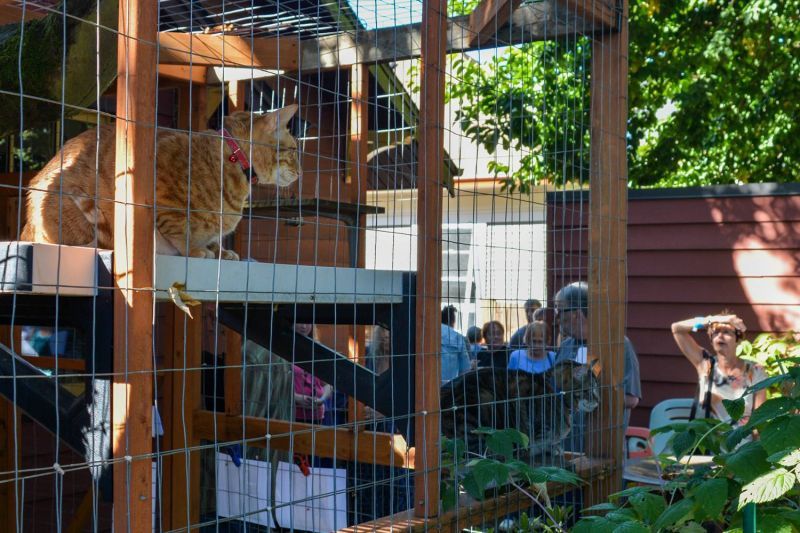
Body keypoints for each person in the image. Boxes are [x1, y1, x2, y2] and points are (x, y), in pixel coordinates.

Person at [553, 282, 642, 425]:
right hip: (567, 442)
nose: (556, 319)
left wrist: (588, 398)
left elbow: (631, 399)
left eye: (559, 311)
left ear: (576, 314)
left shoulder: (617, 345)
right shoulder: (565, 346)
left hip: (602, 441)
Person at [671, 312, 766, 426]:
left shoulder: (755, 370)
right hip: (708, 439)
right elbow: (677, 329)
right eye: (715, 332)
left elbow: (759, 417)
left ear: (738, 339)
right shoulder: (705, 364)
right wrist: (715, 319)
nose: (720, 336)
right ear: (711, 340)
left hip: (741, 439)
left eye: (726, 332)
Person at [292, 323, 333, 424]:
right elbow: (276, 386)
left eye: (308, 322)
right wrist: (295, 398)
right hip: (292, 414)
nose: (304, 326)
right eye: (299, 322)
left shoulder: (317, 349)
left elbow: (328, 384)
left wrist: (322, 399)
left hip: (317, 416)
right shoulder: (281, 349)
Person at [441, 306, 471, 385]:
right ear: (453, 321)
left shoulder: (425, 335)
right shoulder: (458, 337)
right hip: (449, 388)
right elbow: (465, 369)